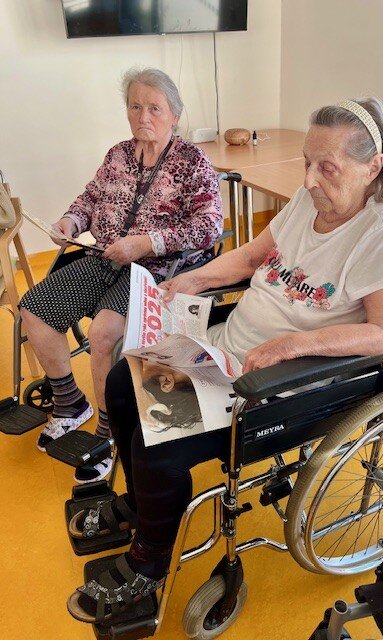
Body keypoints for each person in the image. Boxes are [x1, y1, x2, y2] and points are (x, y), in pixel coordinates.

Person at [66, 97, 383, 623]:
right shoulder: (306, 203)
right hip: (226, 349)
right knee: (121, 383)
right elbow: (251, 257)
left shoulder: (382, 229)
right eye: (306, 162)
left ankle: (151, 560)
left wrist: (290, 345)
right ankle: (141, 507)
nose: (309, 180)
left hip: (277, 383)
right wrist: (192, 279)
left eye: (327, 168)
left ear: (373, 167)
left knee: (159, 443)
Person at [19, 67, 223, 483]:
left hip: (154, 268)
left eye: (154, 108)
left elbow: (210, 225)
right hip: (103, 257)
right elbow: (90, 198)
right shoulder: (118, 154)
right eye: (135, 107)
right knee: (33, 310)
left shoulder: (192, 161)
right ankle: (70, 403)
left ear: (175, 114)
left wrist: (148, 242)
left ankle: (108, 432)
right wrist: (70, 222)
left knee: (104, 333)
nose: (143, 116)